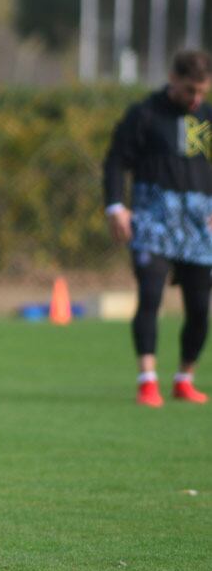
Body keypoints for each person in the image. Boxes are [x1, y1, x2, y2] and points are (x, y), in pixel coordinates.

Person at [103, 49, 212, 408]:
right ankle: (147, 380)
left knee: (199, 307)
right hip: (153, 221)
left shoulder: (207, 119)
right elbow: (116, 161)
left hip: (199, 226)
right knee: (150, 296)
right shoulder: (144, 115)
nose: (195, 99)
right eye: (188, 91)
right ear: (172, 79)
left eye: (201, 92)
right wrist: (116, 205)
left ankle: (184, 378)